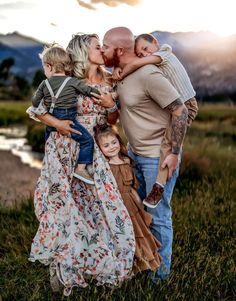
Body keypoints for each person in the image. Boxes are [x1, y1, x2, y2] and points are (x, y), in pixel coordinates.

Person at [27, 33, 135, 296]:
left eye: (101, 45)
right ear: (82, 52)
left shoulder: (110, 80)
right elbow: (38, 111)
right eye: (96, 46)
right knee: (65, 208)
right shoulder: (69, 82)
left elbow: (111, 121)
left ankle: (96, 263)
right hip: (66, 150)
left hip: (94, 151)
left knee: (100, 209)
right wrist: (59, 125)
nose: (101, 49)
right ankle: (64, 266)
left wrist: (111, 106)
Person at [101, 27, 188, 281]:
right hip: (135, 156)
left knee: (158, 216)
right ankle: (144, 265)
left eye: (105, 46)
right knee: (138, 214)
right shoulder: (124, 76)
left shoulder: (149, 74)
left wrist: (173, 152)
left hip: (156, 158)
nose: (103, 50)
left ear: (119, 50)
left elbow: (180, 110)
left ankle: (160, 279)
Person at [112, 33, 198, 207]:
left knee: (169, 140)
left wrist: (119, 73)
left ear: (155, 42)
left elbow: (137, 63)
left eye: (145, 48)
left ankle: (159, 185)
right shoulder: (154, 61)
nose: (144, 54)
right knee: (167, 134)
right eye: (140, 52)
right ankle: (158, 185)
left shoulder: (165, 53)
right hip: (176, 105)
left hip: (187, 105)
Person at [94, 123, 162, 273]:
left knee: (137, 231)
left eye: (114, 142)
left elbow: (132, 187)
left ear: (119, 141)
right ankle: (122, 267)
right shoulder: (105, 166)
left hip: (131, 204)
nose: (111, 147)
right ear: (100, 149)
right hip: (117, 205)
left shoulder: (126, 161)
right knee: (122, 234)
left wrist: (139, 204)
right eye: (106, 145)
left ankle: (140, 264)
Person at [32, 43, 101, 184]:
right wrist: (102, 95)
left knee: (50, 145)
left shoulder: (44, 84)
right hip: (69, 120)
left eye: (44, 67)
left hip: (51, 121)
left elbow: (35, 102)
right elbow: (88, 91)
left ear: (50, 66)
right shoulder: (72, 81)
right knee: (87, 140)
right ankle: (81, 168)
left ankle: (51, 163)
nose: (44, 70)